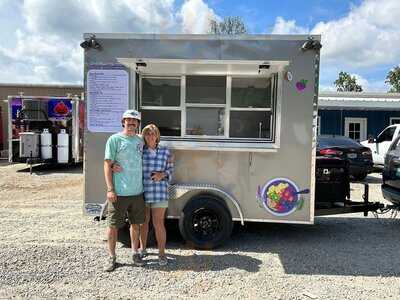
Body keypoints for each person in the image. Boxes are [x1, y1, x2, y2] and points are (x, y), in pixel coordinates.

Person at [103, 109, 146, 272]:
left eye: (134, 121)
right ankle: (111, 257)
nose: (131, 123)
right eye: (128, 121)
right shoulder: (114, 139)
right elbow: (107, 164)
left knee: (136, 225)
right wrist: (110, 189)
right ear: (123, 122)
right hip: (119, 193)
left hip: (137, 192)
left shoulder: (140, 141)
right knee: (113, 226)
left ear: (138, 124)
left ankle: (135, 253)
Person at [139, 124, 174, 266]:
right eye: (147, 133)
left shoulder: (166, 152)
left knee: (158, 223)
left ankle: (161, 253)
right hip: (142, 191)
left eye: (153, 133)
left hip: (160, 192)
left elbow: (171, 170)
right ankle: (143, 249)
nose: (150, 136)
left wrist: (163, 174)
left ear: (157, 136)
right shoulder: (140, 151)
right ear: (144, 136)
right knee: (143, 222)